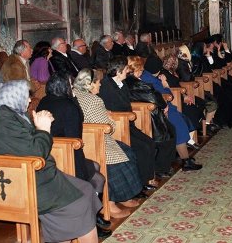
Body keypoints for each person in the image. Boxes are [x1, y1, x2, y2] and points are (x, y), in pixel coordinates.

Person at [0, 80, 101, 243]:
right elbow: (36, 152)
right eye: (26, 97)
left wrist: (40, 127)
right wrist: (43, 129)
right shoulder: (4, 122)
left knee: (86, 188)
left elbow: (31, 145)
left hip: (40, 173)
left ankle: (67, 234)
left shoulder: (14, 114)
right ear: (14, 97)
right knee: (78, 204)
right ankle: (68, 233)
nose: (29, 100)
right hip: (25, 179)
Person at [36, 72, 111, 238]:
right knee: (98, 179)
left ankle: (95, 215)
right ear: (65, 87)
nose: (73, 88)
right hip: (68, 152)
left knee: (96, 167)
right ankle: (91, 220)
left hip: (52, 154)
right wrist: (74, 99)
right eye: (71, 85)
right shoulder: (68, 105)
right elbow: (75, 136)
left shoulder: (44, 100)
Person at [73, 69, 143, 218]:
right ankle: (109, 204)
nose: (100, 86)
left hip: (85, 140)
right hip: (97, 141)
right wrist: (109, 117)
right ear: (90, 84)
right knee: (122, 159)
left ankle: (123, 198)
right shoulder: (94, 100)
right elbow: (109, 128)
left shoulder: (75, 94)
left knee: (127, 151)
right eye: (98, 83)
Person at [98, 57, 158, 188]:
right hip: (117, 126)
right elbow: (109, 109)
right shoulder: (106, 86)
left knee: (150, 142)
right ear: (118, 71)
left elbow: (127, 103)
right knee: (142, 148)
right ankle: (140, 183)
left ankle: (147, 179)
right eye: (125, 69)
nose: (127, 71)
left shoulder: (122, 83)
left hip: (128, 124)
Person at [141, 55, 203, 171]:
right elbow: (168, 95)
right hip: (163, 109)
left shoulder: (145, 76)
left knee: (182, 123)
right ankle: (186, 161)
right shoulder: (153, 80)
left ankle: (185, 157)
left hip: (161, 108)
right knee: (180, 128)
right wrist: (165, 83)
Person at [125, 56, 177, 178]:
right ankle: (162, 168)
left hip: (142, 112)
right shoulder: (137, 83)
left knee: (170, 131)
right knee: (169, 133)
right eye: (141, 70)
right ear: (136, 69)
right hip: (150, 115)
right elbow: (153, 97)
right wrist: (164, 105)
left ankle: (163, 167)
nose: (142, 72)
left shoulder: (127, 81)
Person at [176, 44, 221, 134]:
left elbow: (211, 67)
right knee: (211, 103)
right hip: (190, 89)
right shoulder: (183, 63)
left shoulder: (187, 61)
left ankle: (208, 123)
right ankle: (206, 125)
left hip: (195, 86)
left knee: (215, 97)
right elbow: (188, 78)